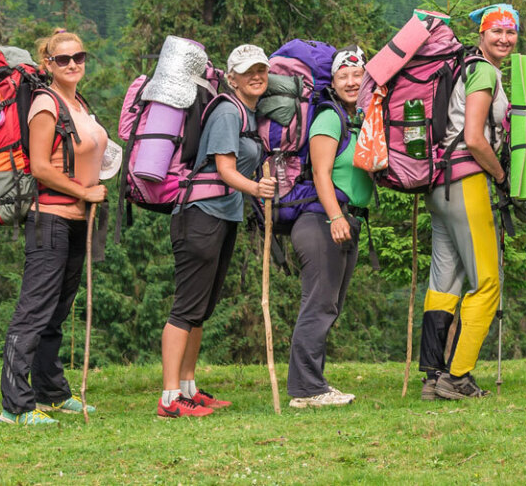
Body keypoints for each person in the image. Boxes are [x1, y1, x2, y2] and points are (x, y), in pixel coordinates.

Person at [0, 28, 110, 426]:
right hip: (50, 218)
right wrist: (84, 189)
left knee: (57, 311)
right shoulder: (46, 104)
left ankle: (52, 394)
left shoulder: (77, 102)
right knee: (34, 310)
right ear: (47, 64)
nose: (73, 64)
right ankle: (14, 406)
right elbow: (41, 168)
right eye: (63, 59)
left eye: (79, 57)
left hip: (78, 219)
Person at [157, 44, 277, 418]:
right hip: (200, 215)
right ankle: (170, 398)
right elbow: (225, 168)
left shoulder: (246, 112)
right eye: (247, 71)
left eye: (261, 69)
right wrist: (257, 188)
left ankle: (189, 387)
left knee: (202, 307)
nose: (256, 76)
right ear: (232, 78)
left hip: (221, 215)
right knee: (186, 306)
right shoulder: (228, 111)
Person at [419, 4, 516, 401]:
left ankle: (431, 377)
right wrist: (500, 175)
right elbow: (475, 138)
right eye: (496, 31)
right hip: (467, 182)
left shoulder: (465, 68)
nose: (504, 39)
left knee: (444, 282)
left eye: (510, 32)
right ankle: (457, 376)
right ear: (481, 34)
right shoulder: (483, 72)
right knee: (488, 283)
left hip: (441, 186)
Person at [286, 48, 372, 408]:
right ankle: (307, 390)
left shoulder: (357, 118)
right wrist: (336, 216)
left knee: (328, 305)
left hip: (342, 220)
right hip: (321, 221)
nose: (352, 82)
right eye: (344, 76)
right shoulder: (329, 117)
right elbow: (321, 173)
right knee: (319, 304)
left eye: (358, 75)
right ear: (332, 83)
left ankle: (311, 384)